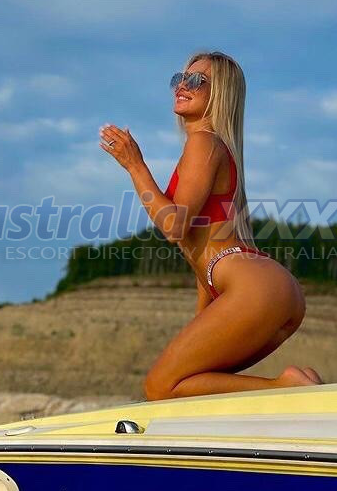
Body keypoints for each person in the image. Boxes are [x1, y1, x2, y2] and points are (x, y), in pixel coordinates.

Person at [99, 50, 322, 400]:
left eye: (196, 80)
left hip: (254, 289)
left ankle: (287, 387)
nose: (182, 85)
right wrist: (200, 324)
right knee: (191, 382)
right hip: (266, 290)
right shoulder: (212, 148)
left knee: (160, 385)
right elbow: (200, 256)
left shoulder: (203, 142)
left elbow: (174, 227)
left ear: (220, 94)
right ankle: (299, 386)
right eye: (179, 78)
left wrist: (134, 165)